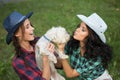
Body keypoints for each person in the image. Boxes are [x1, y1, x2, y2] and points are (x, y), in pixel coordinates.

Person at [57, 13, 113, 80]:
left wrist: (61, 53)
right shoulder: (73, 44)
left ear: (91, 37)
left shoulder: (96, 57)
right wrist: (50, 54)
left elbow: (70, 74)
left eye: (83, 30)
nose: (77, 30)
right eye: (79, 27)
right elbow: (60, 64)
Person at [3, 11, 53, 80]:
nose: (32, 28)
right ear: (17, 33)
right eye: (27, 27)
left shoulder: (38, 41)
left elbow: (59, 65)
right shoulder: (18, 62)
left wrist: (58, 49)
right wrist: (45, 58)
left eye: (30, 25)